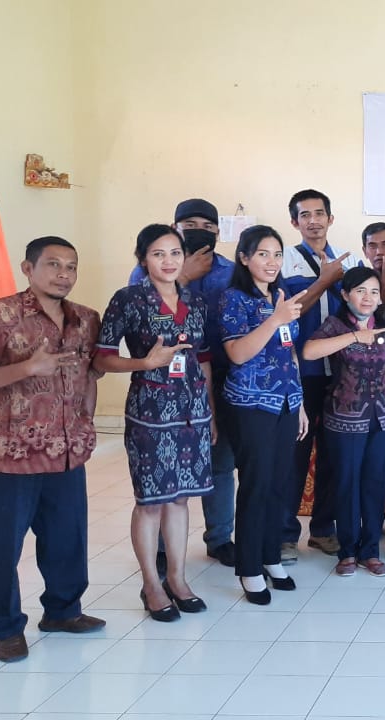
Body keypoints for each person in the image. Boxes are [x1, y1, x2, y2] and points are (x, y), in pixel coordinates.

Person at [0, 236, 106, 662]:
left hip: (66, 452)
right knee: (2, 547)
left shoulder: (86, 319)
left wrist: (87, 421)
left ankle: (63, 612)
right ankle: (5, 628)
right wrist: (27, 368)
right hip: (7, 457)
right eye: (53, 264)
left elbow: (90, 375)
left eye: (71, 266)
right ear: (28, 268)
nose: (63, 274)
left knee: (68, 538)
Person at [96, 224, 216, 622]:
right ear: (143, 258)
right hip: (150, 411)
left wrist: (210, 412)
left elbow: (201, 358)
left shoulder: (195, 301)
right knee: (151, 501)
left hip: (192, 412)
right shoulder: (128, 299)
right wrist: (144, 362)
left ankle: (177, 579)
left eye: (175, 253)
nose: (168, 261)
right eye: (158, 253)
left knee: (180, 499)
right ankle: (151, 583)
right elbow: (102, 357)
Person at [127, 199, 238, 569]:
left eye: (207, 225)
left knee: (219, 462)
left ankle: (220, 539)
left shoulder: (230, 271)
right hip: (160, 385)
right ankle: (162, 550)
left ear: (218, 231)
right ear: (174, 227)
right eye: (189, 224)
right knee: (166, 468)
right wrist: (183, 276)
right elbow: (139, 318)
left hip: (218, 375)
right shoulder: (146, 271)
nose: (198, 231)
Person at [221, 225, 308, 604]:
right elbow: (238, 353)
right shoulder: (233, 299)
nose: (272, 262)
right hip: (251, 403)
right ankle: (249, 567)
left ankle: (271, 556)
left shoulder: (282, 295)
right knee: (256, 485)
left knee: (279, 483)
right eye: (262, 254)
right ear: (244, 258)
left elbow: (290, 352)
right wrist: (274, 319)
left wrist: (300, 402)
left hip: (286, 401)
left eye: (277, 254)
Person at [302, 266, 385, 577]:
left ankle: (370, 551)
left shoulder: (384, 327)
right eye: (360, 291)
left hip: (383, 418)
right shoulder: (334, 326)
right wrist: (355, 336)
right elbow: (309, 351)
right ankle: (347, 552)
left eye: (374, 291)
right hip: (344, 419)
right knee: (346, 484)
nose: (368, 298)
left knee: (374, 484)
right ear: (345, 295)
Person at [279, 189, 357, 563]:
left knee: (333, 455)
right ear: (294, 222)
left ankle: (324, 529)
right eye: (305, 215)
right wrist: (325, 281)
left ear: (330, 218)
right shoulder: (284, 260)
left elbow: (362, 307)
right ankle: (285, 535)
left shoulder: (349, 259)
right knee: (294, 456)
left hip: (341, 372)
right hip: (301, 372)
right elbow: (289, 311)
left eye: (319, 213)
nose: (313, 220)